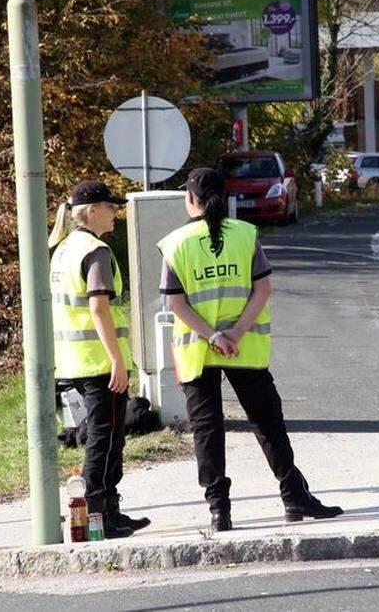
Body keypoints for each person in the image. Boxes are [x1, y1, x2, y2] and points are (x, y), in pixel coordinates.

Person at [158, 167, 342, 532]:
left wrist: (213, 336)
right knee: (267, 423)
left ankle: (219, 510)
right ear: (223, 198)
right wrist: (236, 333)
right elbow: (263, 289)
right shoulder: (246, 235)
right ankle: (294, 497)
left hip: (198, 348)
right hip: (245, 346)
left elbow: (177, 305)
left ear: (191, 200)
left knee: (207, 429)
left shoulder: (175, 244)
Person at [48, 180, 151, 539]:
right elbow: (98, 308)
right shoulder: (95, 251)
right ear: (92, 211)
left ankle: (107, 515)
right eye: (110, 207)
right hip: (98, 364)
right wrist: (117, 362)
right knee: (105, 443)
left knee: (98, 439)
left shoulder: (62, 249)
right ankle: (102, 519)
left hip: (70, 362)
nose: (115, 213)